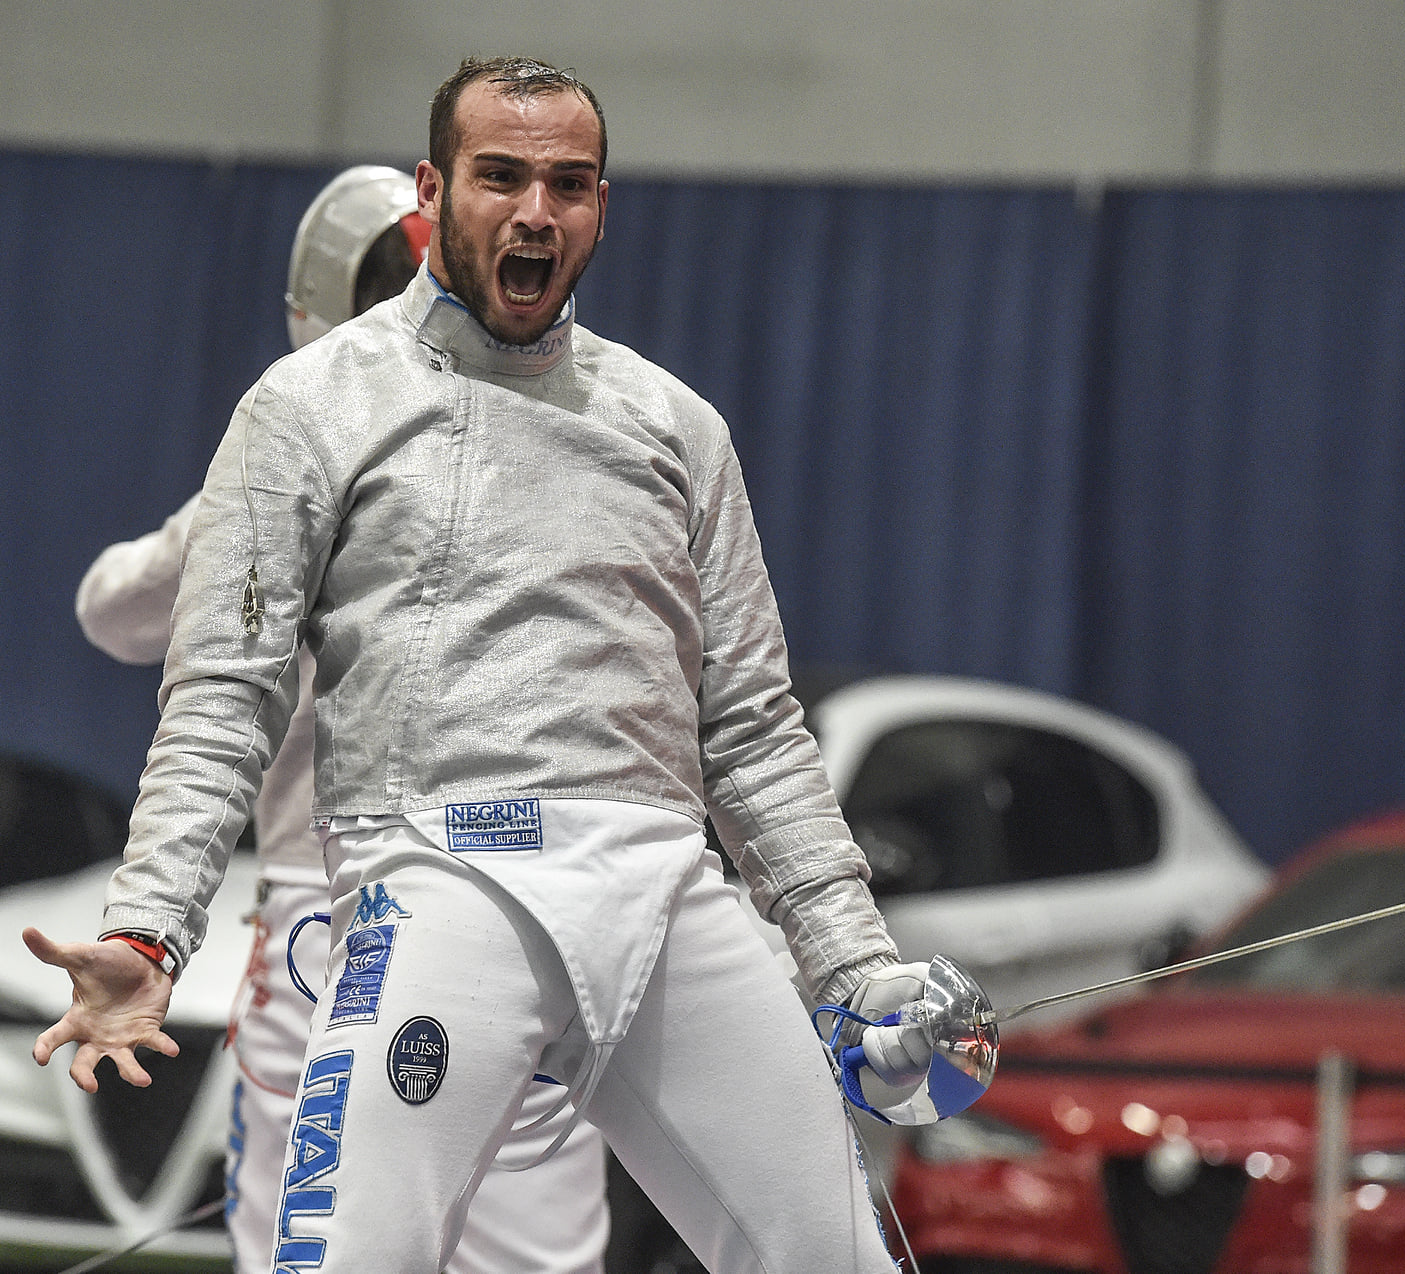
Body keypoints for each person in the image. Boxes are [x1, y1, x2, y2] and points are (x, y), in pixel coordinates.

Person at [28, 56, 918, 1273]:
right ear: (432, 194)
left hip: (664, 893)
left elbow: (755, 728)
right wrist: (147, 929)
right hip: (443, 879)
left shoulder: (675, 426)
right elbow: (223, 697)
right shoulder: (307, 408)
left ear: (602, 205)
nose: (534, 212)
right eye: (500, 177)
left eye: (568, 183)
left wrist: (854, 961)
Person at [73, 164, 611, 1274]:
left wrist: (231, 505)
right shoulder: (588, 438)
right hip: (533, 912)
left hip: (347, 916)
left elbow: (115, 608)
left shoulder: (300, 454)